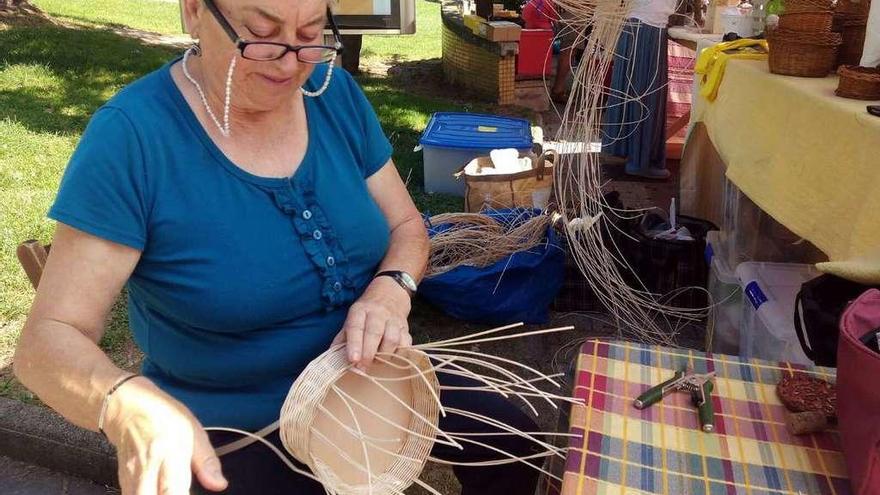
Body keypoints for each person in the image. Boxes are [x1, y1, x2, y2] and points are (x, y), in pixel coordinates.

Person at [12, 0, 541, 493]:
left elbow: (407, 226)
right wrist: (124, 405)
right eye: (261, 35)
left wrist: (391, 289)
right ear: (195, 12)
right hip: (235, 422)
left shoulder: (332, 95)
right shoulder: (133, 140)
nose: (291, 64)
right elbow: (45, 343)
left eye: (310, 35)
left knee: (514, 436)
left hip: (367, 374)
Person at [601, 0, 675, 179]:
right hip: (648, 28)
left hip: (636, 25)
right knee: (644, 93)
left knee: (632, 90)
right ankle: (639, 161)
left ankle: (625, 149)